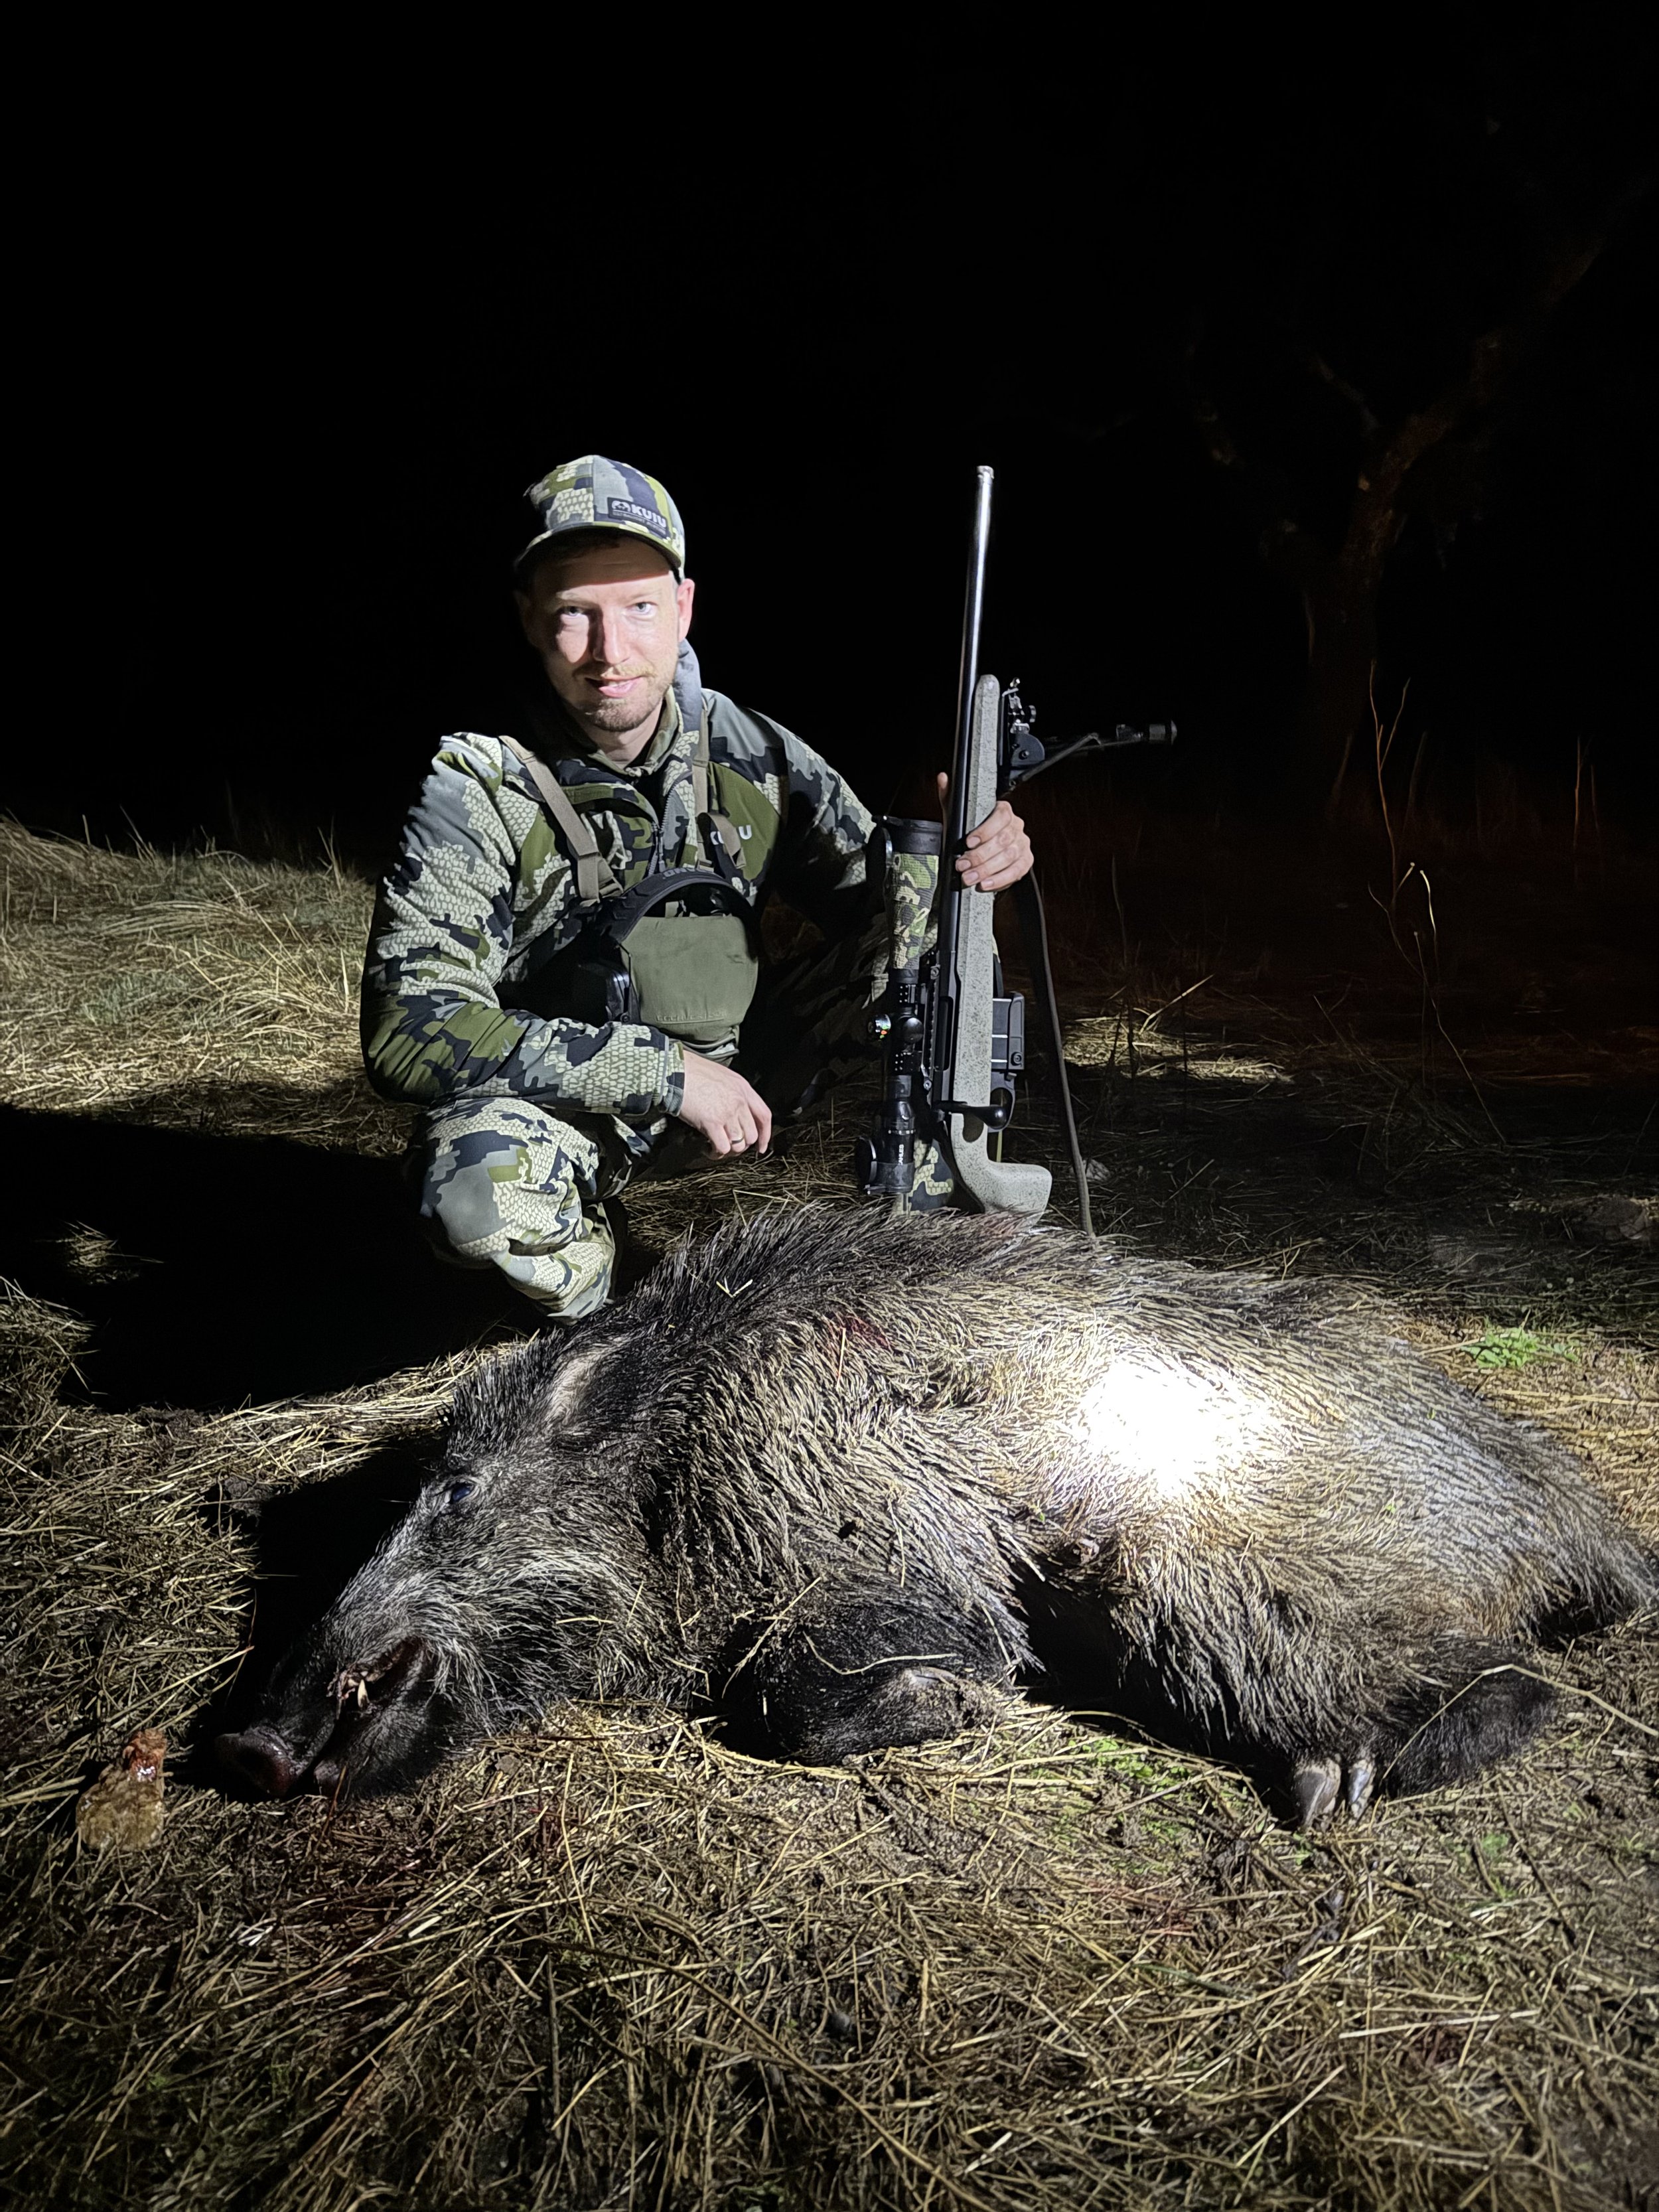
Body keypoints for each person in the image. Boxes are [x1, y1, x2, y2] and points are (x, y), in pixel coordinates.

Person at [361, 455, 1033, 1319]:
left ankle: (941, 1242)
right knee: (476, 1196)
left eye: (640, 608)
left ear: (683, 606)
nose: (611, 652)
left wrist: (975, 863)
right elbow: (409, 1028)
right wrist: (663, 1073)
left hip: (749, 1078)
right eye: (575, 613)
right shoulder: (478, 782)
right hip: (566, 1107)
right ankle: (611, 1310)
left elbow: (891, 921)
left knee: (933, 932)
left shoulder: (750, 746)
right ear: (529, 619)